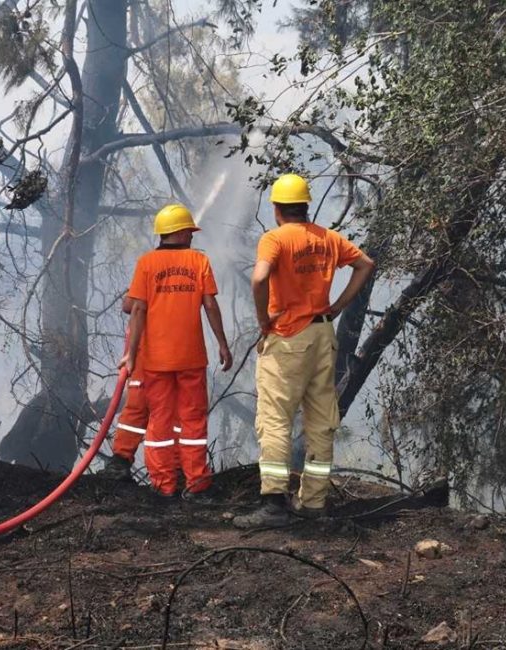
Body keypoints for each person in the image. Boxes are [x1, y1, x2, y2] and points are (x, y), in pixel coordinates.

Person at [233, 174, 375, 528]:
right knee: (321, 421)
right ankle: (313, 502)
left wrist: (264, 321)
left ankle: (273, 505)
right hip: (322, 335)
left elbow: (259, 278)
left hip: (288, 339)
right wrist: (338, 305)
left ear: (278, 209)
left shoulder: (275, 238)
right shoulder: (326, 238)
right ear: (306, 206)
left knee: (276, 419)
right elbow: (365, 264)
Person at [120, 204, 233, 499]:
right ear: (181, 232)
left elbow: (137, 309)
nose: (193, 237)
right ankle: (196, 484)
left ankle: (163, 485)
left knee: (159, 420)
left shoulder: (146, 263)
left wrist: (132, 355)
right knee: (193, 420)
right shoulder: (199, 261)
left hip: (156, 360)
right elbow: (210, 305)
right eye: (190, 232)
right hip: (191, 358)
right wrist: (222, 343)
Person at [97, 298, 150, 480]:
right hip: (177, 354)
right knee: (172, 415)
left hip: (149, 354)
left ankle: (120, 463)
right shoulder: (192, 273)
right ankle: (177, 471)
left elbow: (129, 306)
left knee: (137, 408)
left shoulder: (149, 270)